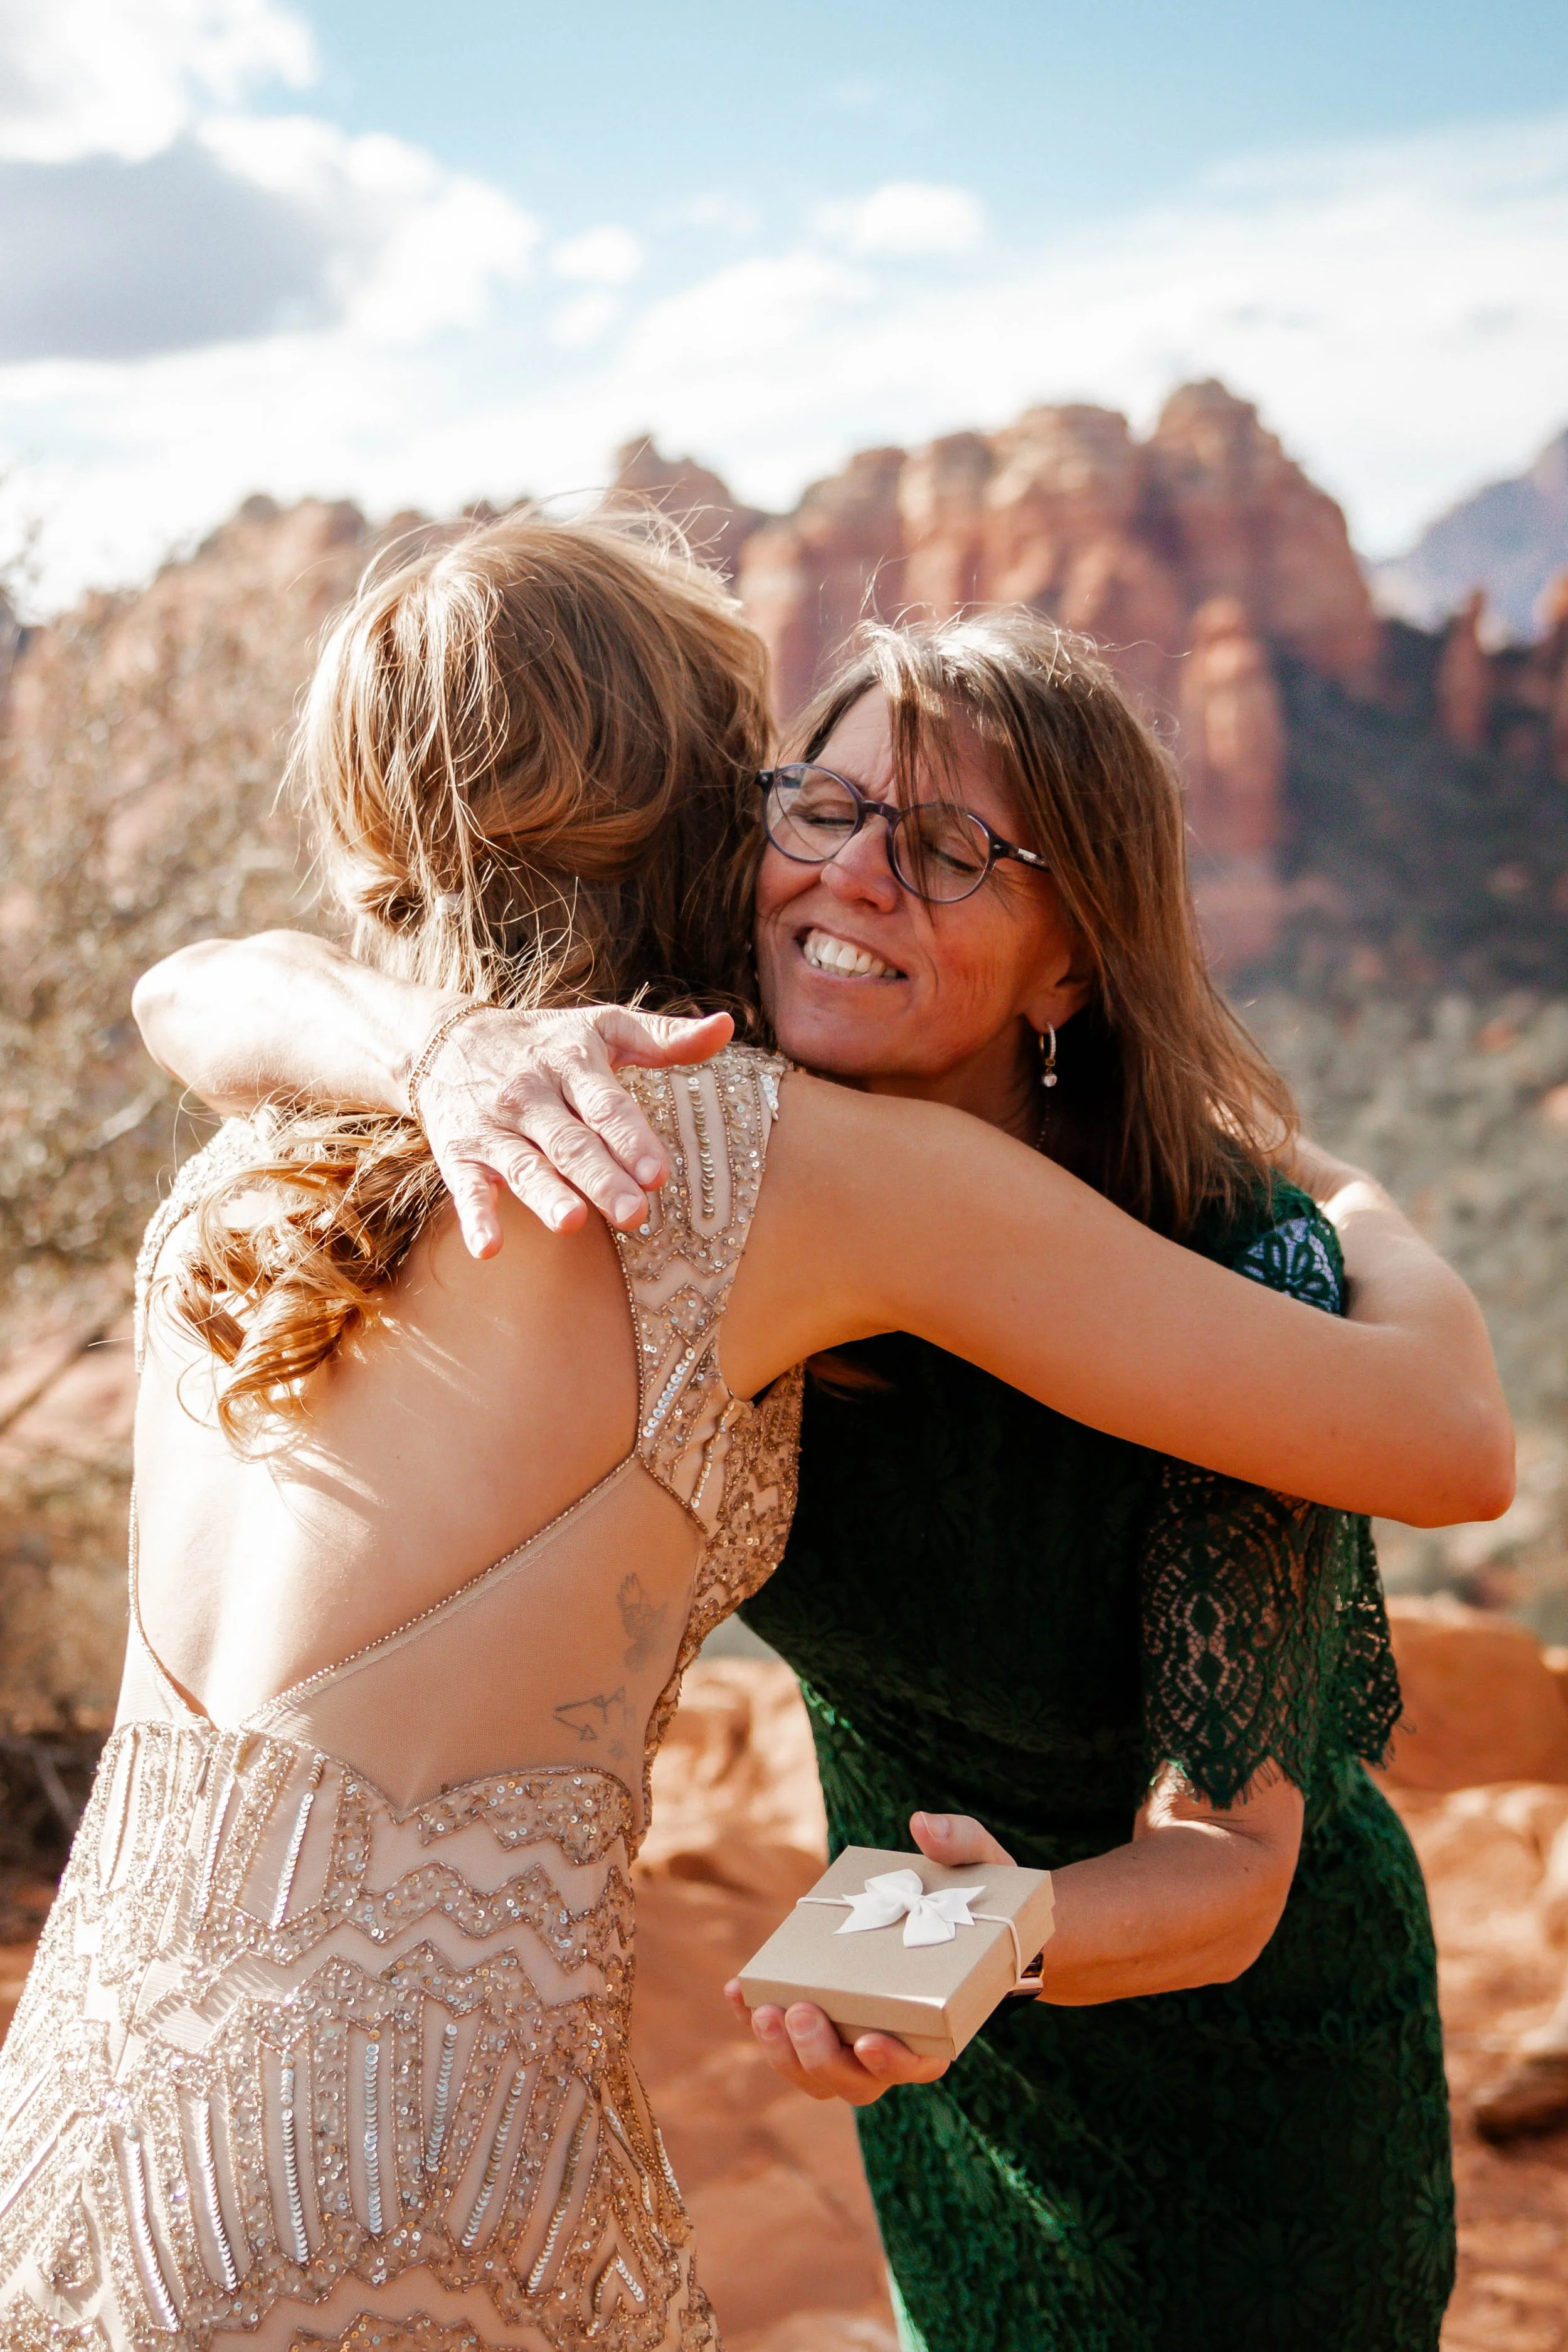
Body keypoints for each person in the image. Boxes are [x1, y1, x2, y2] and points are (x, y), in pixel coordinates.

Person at [131, 572, 1513, 2351]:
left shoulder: (1217, 1260)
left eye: (951, 851)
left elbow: (1230, 1863)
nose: (858, 873)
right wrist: (446, 1047)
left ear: (1073, 958)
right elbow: (201, 980)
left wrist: (1341, 1199)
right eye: (828, 805)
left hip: (1215, 2070)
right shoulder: (727, 1134)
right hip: (935, 2016)